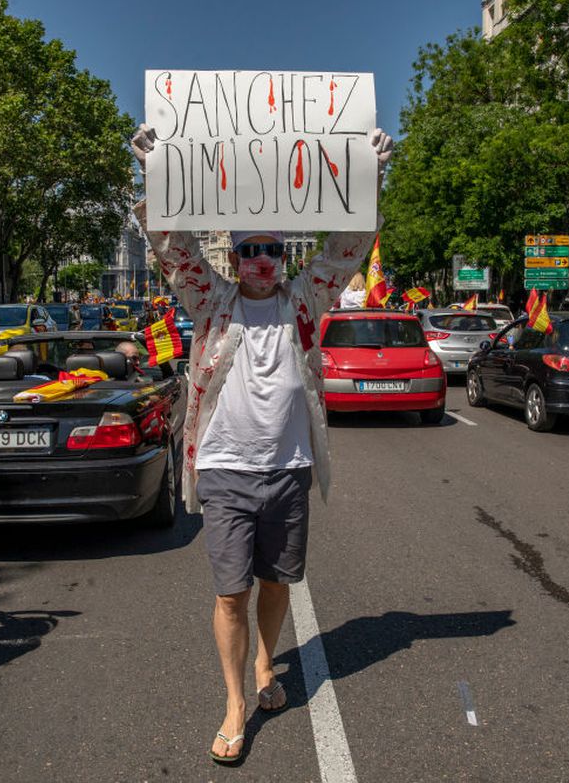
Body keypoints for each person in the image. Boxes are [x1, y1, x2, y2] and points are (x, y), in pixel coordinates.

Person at [131, 123, 393, 764]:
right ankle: (233, 704)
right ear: (233, 258)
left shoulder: (305, 301)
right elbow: (172, 246)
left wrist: (369, 174)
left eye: (270, 250)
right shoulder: (209, 300)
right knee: (231, 592)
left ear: (284, 258)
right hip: (224, 470)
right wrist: (155, 173)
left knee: (278, 583)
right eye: (247, 249)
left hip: (289, 471)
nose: (259, 260)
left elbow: (346, 251)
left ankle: (266, 666)